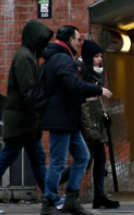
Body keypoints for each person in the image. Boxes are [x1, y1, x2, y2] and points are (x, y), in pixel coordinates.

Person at [0, 21, 53, 215]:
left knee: (37, 158)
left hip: (28, 120)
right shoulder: (25, 58)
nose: (44, 45)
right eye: (43, 41)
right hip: (22, 120)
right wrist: (43, 105)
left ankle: (50, 197)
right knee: (8, 157)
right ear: (35, 38)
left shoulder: (29, 56)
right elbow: (28, 91)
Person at [40, 26, 112, 215]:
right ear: (70, 40)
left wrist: (83, 98)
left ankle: (71, 198)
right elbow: (71, 84)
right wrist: (95, 90)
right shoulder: (63, 59)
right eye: (78, 39)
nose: (79, 43)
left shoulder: (60, 57)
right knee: (57, 161)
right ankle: (48, 202)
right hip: (61, 117)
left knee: (82, 156)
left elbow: (65, 89)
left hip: (68, 117)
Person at [56, 39, 120, 209]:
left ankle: (99, 196)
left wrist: (103, 116)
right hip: (87, 126)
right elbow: (83, 103)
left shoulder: (94, 75)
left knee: (99, 159)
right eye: (96, 56)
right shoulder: (82, 74)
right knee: (86, 160)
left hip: (95, 124)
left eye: (100, 56)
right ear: (89, 57)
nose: (99, 59)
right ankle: (54, 185)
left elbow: (95, 103)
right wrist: (90, 125)